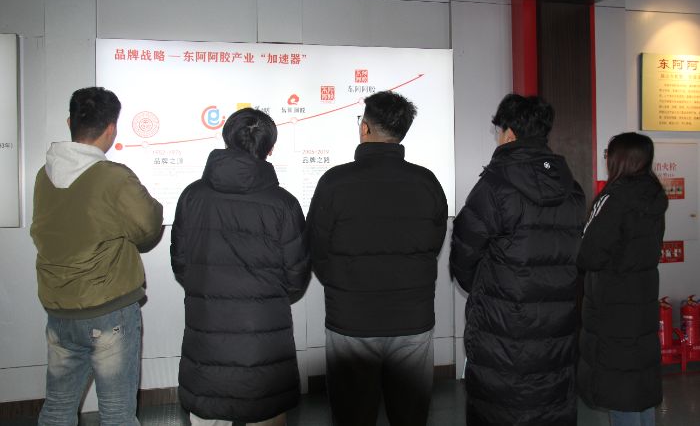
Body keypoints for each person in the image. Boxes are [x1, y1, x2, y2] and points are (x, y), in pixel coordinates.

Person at [307, 90, 448, 426]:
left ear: (365, 128)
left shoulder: (334, 182)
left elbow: (316, 248)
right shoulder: (427, 182)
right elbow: (434, 243)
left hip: (351, 319)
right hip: (412, 319)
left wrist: (343, 283)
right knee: (410, 415)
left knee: (353, 415)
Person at [30, 87, 164, 426]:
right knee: (117, 414)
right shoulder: (112, 176)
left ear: (70, 122)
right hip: (108, 310)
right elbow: (148, 228)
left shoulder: (44, 175)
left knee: (57, 408)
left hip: (59, 310)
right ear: (111, 128)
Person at [450, 93, 586, 426]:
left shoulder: (495, 186)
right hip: (558, 321)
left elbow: (464, 253)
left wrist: (485, 289)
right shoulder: (572, 189)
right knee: (550, 398)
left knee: (501, 404)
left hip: (503, 324)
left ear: (509, 134)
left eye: (498, 131)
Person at [171, 108, 310, 426]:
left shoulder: (192, 196)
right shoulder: (284, 204)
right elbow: (297, 276)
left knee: (208, 412)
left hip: (207, 331)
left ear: (226, 140)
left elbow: (181, 263)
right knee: (266, 413)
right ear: (269, 149)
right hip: (264, 336)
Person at [577, 132, 667, 426]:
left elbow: (589, 254)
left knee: (619, 387)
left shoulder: (612, 197)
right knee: (639, 382)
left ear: (621, 159)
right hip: (642, 301)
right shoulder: (654, 195)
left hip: (613, 306)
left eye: (609, 153)